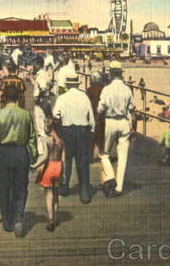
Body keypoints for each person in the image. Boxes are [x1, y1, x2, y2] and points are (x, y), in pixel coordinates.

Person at [0, 85, 37, 237]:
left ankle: (7, 221)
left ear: (4, 98)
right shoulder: (25, 115)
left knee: (3, 187)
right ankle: (18, 217)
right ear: (18, 98)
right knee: (21, 186)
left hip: (2, 153)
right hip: (21, 153)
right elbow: (32, 138)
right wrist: (34, 158)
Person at [52, 70, 95, 203]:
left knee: (67, 160)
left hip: (67, 130)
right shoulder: (84, 97)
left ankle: (64, 187)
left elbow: (55, 115)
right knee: (82, 161)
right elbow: (91, 119)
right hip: (83, 131)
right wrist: (91, 132)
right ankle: (84, 191)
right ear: (77, 84)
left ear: (67, 85)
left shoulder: (62, 97)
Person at [96, 62, 135, 197]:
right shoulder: (127, 89)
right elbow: (131, 109)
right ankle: (119, 187)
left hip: (110, 121)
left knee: (104, 153)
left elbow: (101, 108)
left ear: (111, 73)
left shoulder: (107, 89)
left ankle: (110, 176)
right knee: (123, 156)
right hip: (124, 122)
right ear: (121, 73)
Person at [31, 116, 64, 231]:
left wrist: (35, 165)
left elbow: (45, 157)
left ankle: (50, 219)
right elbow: (63, 157)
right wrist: (63, 171)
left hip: (49, 167)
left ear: (49, 127)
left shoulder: (47, 140)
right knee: (55, 194)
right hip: (59, 166)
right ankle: (55, 217)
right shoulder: (61, 141)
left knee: (48, 194)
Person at [86, 71, 106, 161]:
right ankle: (100, 153)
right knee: (101, 136)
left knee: (92, 137)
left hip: (91, 115)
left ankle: (90, 155)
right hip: (101, 115)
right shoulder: (103, 89)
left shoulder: (89, 90)